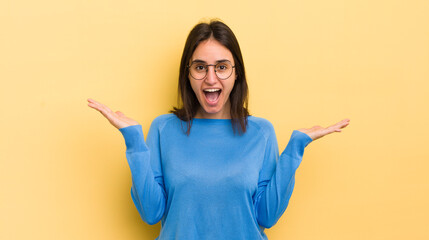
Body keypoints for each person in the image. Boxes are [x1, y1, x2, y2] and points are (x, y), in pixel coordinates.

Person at [87, 20, 350, 240]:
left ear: (237, 74)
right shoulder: (163, 129)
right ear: (187, 74)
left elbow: (267, 216)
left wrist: (295, 149)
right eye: (200, 67)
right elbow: (151, 213)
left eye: (222, 67)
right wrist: (134, 140)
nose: (211, 79)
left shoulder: (261, 132)